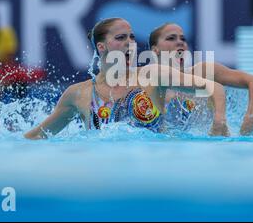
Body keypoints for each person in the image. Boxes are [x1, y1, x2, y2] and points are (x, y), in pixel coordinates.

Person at [24, 18, 229, 140]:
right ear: (101, 47)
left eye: (131, 37)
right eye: (121, 38)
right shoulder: (78, 94)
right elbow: (38, 137)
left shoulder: (153, 75)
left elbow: (213, 87)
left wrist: (219, 121)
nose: (130, 43)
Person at [149, 23, 253, 135]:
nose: (180, 42)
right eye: (171, 38)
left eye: (183, 39)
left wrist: (247, 126)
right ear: (155, 50)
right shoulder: (147, 83)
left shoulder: (202, 72)